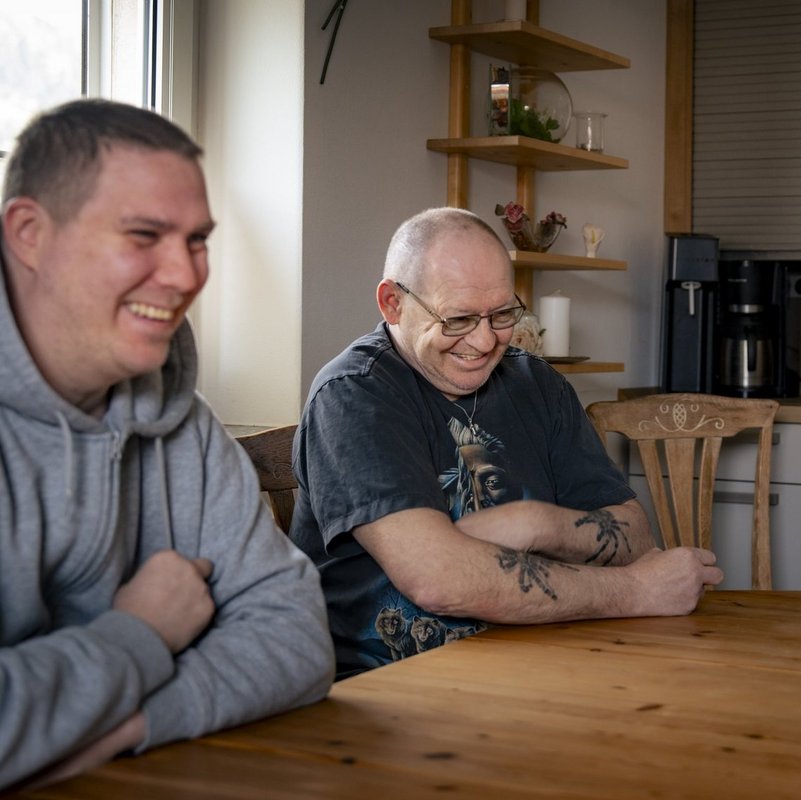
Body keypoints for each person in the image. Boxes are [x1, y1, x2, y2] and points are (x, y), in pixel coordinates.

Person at [0, 99, 335, 790]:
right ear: (29, 234)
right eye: (144, 234)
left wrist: (129, 726)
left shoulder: (185, 422)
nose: (186, 276)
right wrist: (142, 633)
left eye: (197, 239)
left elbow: (297, 637)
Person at [291, 206, 723, 678]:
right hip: (390, 691)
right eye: (457, 319)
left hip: (539, 665)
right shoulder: (354, 395)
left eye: (501, 314)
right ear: (393, 303)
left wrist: (537, 523)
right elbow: (438, 580)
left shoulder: (536, 383)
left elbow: (635, 538)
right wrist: (635, 592)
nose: (483, 342)